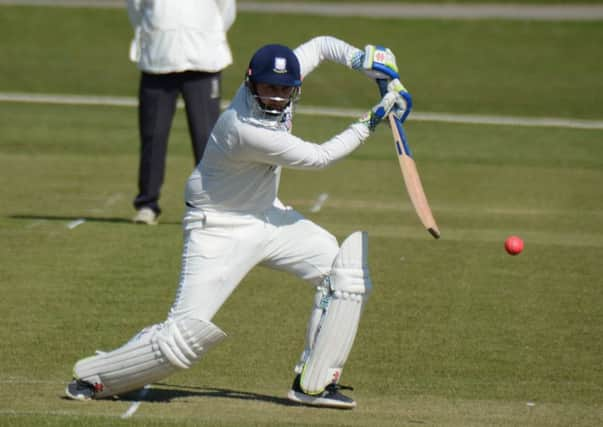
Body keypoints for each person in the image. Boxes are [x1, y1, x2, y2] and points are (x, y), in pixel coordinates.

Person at [65, 36, 410, 409]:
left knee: (343, 273)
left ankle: (314, 382)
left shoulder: (281, 85)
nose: (276, 97)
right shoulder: (243, 129)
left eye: (285, 89)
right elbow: (318, 157)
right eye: (268, 88)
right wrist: (374, 117)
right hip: (217, 228)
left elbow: (323, 45)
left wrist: (362, 60)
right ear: (250, 83)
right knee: (180, 342)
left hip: (268, 217)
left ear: (295, 87)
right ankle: (97, 377)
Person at [127, 0, 237, 225]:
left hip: (203, 61)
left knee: (206, 138)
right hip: (158, 59)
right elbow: (136, 8)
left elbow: (226, 10)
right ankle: (147, 204)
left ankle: (211, 204)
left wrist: (205, 35)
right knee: (153, 136)